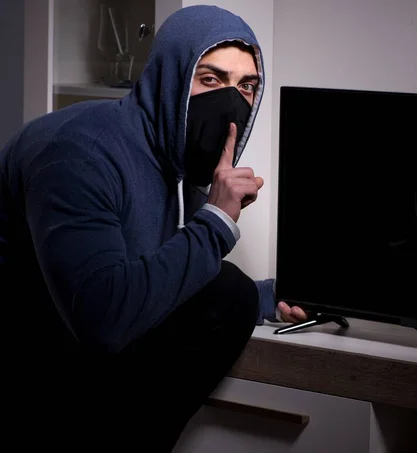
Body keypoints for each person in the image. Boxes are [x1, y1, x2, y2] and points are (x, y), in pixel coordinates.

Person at [0, 5, 307, 451]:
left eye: (246, 87)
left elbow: (152, 275)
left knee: (236, 295)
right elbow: (103, 315)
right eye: (210, 79)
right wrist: (217, 222)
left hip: (75, 361)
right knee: (226, 292)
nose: (230, 101)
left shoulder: (168, 163)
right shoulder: (77, 153)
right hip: (27, 379)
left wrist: (272, 298)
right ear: (169, 77)